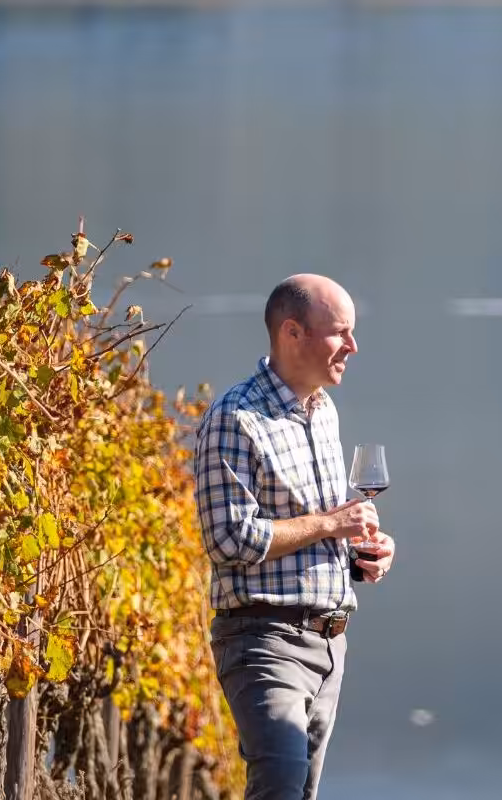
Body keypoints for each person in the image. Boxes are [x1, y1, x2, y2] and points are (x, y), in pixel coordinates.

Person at [191, 274, 396, 800]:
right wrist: (331, 523)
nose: (353, 346)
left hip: (330, 643)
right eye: (341, 332)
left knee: (298, 793)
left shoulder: (322, 412)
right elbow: (229, 539)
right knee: (279, 787)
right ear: (292, 333)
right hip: (263, 638)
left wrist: (363, 554)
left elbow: (322, 528)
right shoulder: (235, 418)